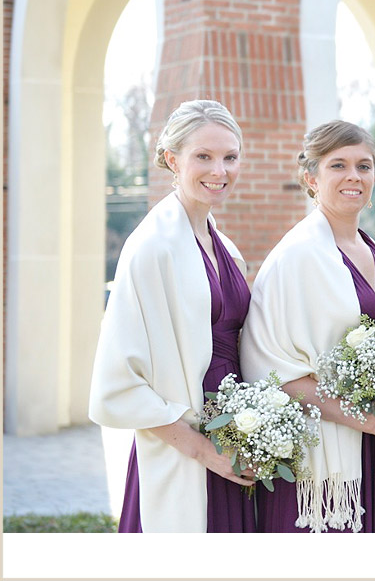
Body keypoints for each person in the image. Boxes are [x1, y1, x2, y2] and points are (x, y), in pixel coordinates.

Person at [89, 99, 256, 533]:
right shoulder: (151, 248)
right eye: (203, 156)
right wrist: (203, 451)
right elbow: (119, 382)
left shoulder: (223, 245)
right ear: (171, 159)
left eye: (229, 157)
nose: (219, 170)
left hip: (231, 438)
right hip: (188, 449)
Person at [239, 121, 375, 533]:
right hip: (321, 463)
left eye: (364, 166)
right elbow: (271, 373)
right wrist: (360, 414)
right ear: (311, 178)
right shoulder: (296, 257)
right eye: (338, 165)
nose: (354, 176)